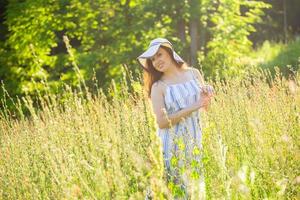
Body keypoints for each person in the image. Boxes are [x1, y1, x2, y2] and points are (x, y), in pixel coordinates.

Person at [137, 38, 214, 199]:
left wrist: (207, 96)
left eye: (159, 55)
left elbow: (206, 108)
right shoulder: (159, 87)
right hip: (170, 149)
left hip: (193, 145)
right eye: (152, 59)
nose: (156, 61)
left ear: (170, 53)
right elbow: (162, 122)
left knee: (193, 193)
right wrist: (194, 105)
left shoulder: (194, 73)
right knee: (169, 194)